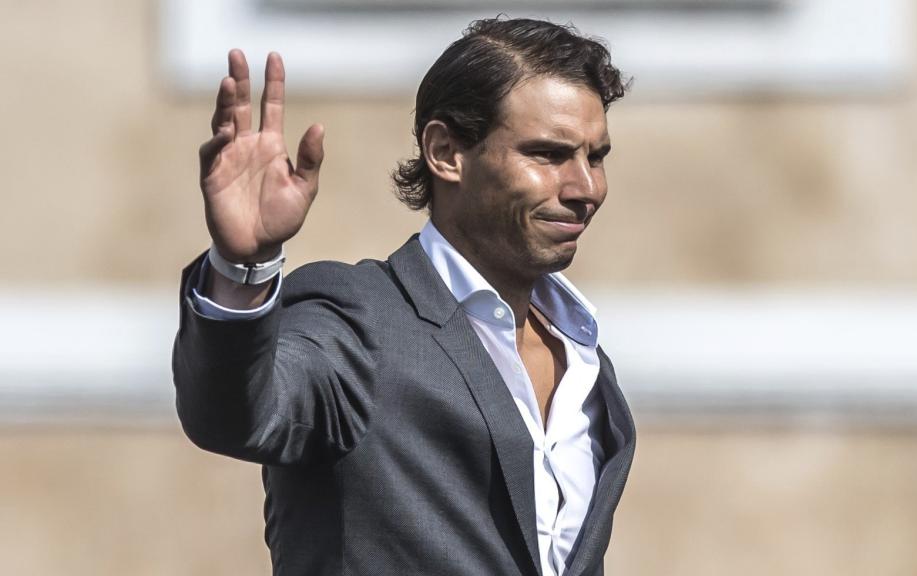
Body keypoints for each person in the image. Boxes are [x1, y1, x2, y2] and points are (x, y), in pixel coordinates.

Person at [172, 17, 635, 576]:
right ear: (445, 152)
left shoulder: (584, 358)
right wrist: (242, 266)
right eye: (547, 154)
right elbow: (232, 415)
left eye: (596, 156)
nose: (586, 188)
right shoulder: (356, 321)